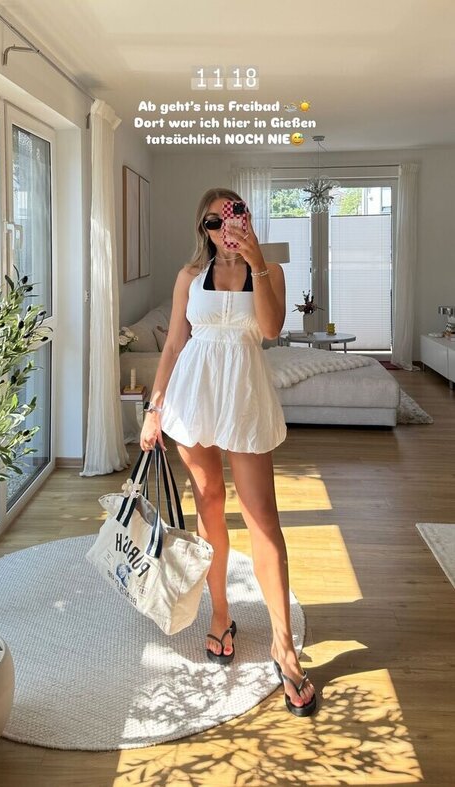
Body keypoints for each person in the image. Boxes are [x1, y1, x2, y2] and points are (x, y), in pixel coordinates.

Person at [140, 187, 317, 717]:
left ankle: (283, 647)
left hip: (243, 396)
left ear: (246, 218)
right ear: (204, 228)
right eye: (213, 222)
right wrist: (154, 407)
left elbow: (270, 329)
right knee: (209, 505)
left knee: (263, 519)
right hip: (193, 396)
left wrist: (257, 259)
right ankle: (220, 615)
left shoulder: (270, 271)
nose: (223, 229)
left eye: (232, 216)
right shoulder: (189, 276)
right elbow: (175, 343)